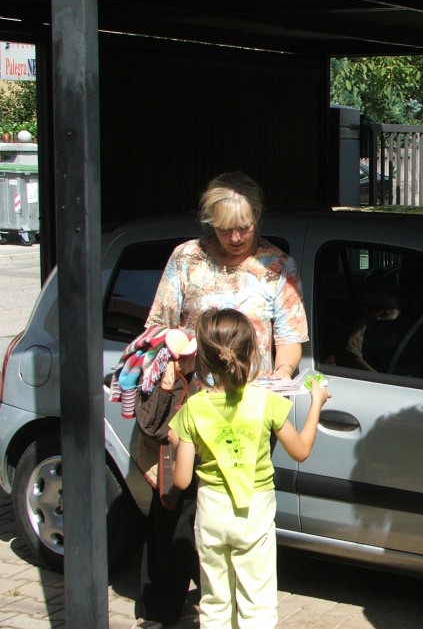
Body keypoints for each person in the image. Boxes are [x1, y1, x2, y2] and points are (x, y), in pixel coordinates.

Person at [133, 170, 309, 628]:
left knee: (239, 506)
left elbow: (291, 338)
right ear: (209, 220)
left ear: (258, 218)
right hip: (192, 402)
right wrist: (177, 350)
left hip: (250, 407)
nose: (236, 236)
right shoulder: (186, 259)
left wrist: (280, 374)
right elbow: (156, 326)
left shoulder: (278, 266)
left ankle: (234, 606)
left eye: (245, 226)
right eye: (226, 227)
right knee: (175, 502)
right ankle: (164, 607)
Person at [169, 308, 330, 628]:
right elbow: (301, 451)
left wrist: (177, 442)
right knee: (257, 603)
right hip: (254, 510)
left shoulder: (193, 407)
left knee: (215, 602)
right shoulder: (266, 400)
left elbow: (182, 479)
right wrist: (316, 404)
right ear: (253, 353)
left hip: (212, 511)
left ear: (203, 357)